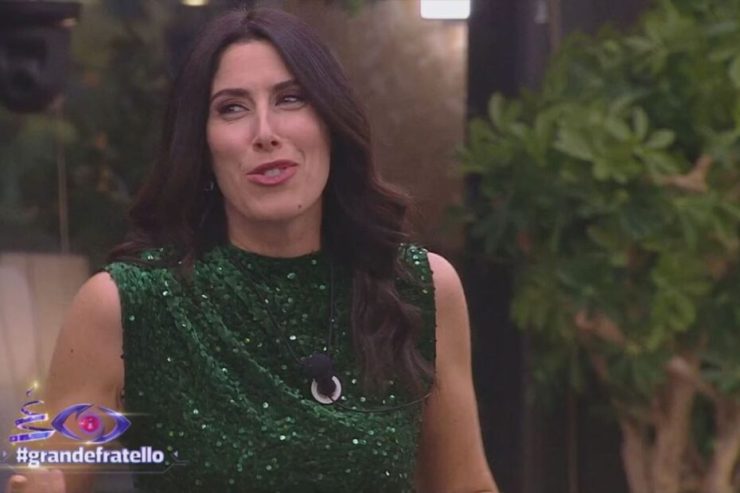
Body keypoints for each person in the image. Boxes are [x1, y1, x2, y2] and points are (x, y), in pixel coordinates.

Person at [5, 7, 498, 493]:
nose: (265, 133)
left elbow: (466, 485)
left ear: (331, 121)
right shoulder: (127, 305)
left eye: (291, 99)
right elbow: (51, 477)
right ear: (202, 144)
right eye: (232, 108)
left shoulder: (418, 288)